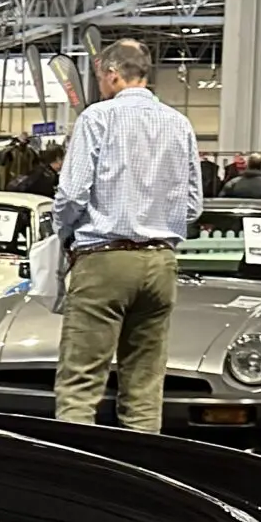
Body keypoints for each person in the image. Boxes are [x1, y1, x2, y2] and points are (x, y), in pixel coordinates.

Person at [51, 39, 201, 433]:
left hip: (104, 258)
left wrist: (65, 235)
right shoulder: (179, 123)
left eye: (101, 77)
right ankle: (140, 477)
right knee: (145, 386)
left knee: (80, 382)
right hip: (161, 262)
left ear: (113, 75)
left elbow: (71, 194)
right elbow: (193, 205)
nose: (101, 86)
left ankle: (76, 478)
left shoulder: (97, 118)